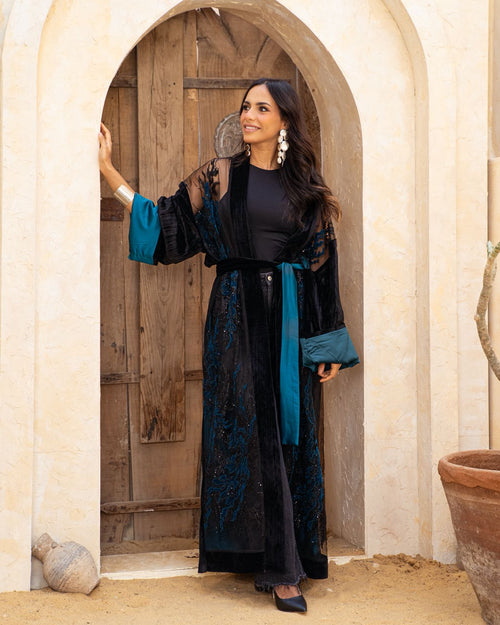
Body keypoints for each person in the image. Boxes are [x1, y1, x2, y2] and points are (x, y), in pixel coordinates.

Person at [98, 77, 359, 613]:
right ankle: (269, 562)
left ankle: (285, 564)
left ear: (284, 120)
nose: (248, 116)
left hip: (289, 325)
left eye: (261, 108)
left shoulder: (306, 187)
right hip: (234, 319)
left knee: (288, 436)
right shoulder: (218, 176)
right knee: (246, 431)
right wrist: (110, 174)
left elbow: (321, 265)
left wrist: (327, 343)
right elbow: (167, 224)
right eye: (245, 107)